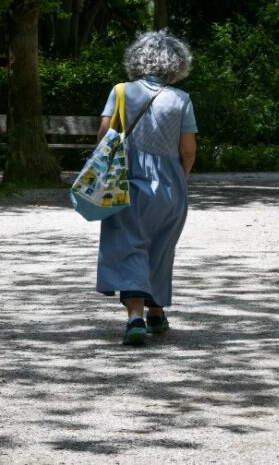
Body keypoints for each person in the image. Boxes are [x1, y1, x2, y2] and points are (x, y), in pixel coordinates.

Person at [95, 31, 198, 345]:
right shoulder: (181, 99)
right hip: (170, 183)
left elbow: (103, 136)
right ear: (176, 63)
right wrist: (179, 178)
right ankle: (156, 312)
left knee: (129, 245)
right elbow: (188, 150)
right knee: (160, 246)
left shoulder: (121, 91)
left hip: (126, 181)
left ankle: (135, 318)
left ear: (137, 59)